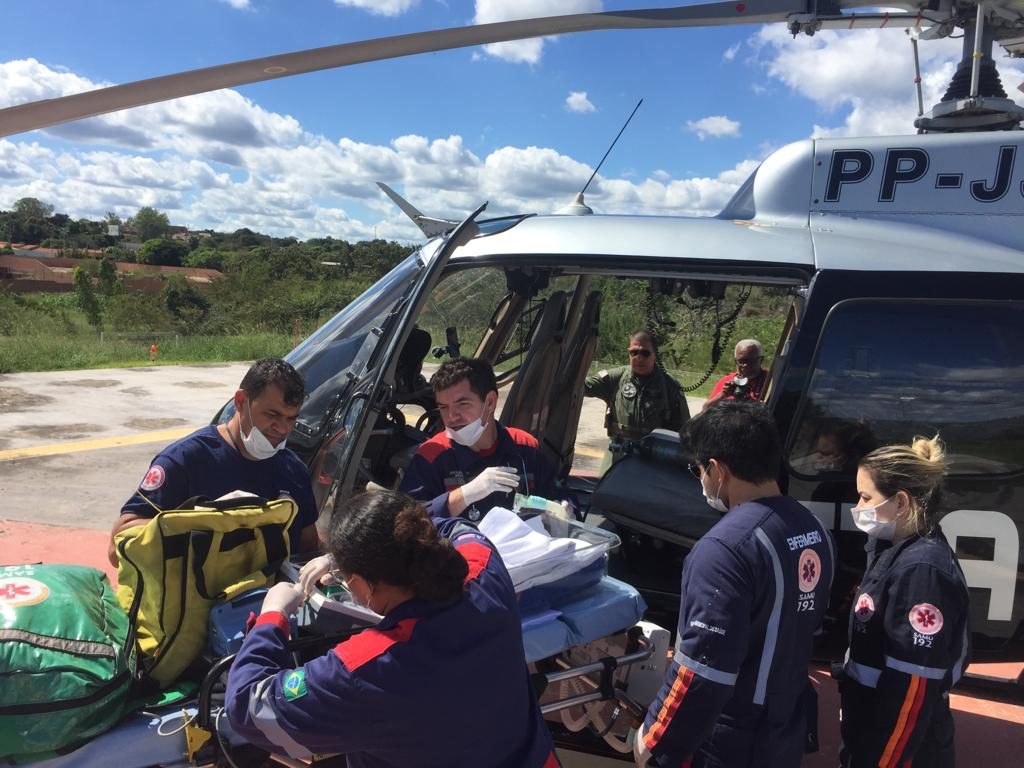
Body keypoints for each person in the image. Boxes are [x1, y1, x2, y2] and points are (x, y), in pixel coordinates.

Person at [226, 491, 559, 768]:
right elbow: (456, 527)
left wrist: (272, 616)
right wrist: (351, 553)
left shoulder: (365, 670)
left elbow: (247, 707)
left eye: (345, 577)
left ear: (364, 584)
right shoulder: (486, 574)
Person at [635, 401, 835, 768]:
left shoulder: (724, 549)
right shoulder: (813, 529)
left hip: (730, 740)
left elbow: (702, 669)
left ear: (717, 469)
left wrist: (654, 740)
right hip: (784, 726)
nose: (701, 479)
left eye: (698, 469)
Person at [108, 358, 319, 566]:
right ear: (240, 401)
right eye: (272, 414)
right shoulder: (184, 461)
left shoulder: (293, 471)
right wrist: (203, 527)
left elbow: (308, 547)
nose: (282, 429)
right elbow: (117, 547)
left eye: (291, 418)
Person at [838, 435, 969, 768]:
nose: (858, 506)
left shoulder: (922, 573)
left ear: (900, 502)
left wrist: (880, 761)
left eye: (866, 497)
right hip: (870, 730)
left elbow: (912, 691)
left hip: (899, 750)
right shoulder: (892, 549)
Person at [400, 357, 566, 522]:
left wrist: (565, 507)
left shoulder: (525, 446)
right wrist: (464, 495)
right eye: (444, 407)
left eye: (462, 404)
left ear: (490, 402)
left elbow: (559, 495)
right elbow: (408, 521)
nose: (451, 417)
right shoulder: (432, 455)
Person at [584, 331, 689, 468]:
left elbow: (684, 429)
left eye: (645, 353)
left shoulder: (669, 385)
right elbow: (582, 386)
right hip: (618, 453)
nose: (639, 358)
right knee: (608, 481)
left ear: (655, 355)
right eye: (634, 353)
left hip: (653, 458)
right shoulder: (616, 378)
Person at [703, 339, 768, 410]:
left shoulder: (769, 382)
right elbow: (705, 409)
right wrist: (723, 395)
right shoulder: (727, 381)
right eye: (741, 361)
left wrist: (746, 397)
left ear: (761, 360)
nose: (745, 365)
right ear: (735, 361)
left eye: (751, 361)